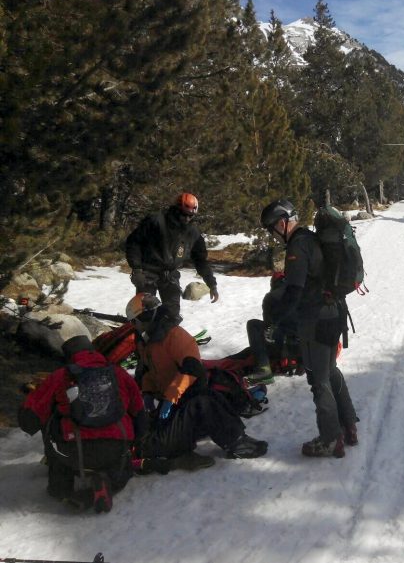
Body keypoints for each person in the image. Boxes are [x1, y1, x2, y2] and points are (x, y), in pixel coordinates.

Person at [260, 199, 358, 458]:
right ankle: (348, 426)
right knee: (331, 371)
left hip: (316, 319)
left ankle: (329, 439)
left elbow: (294, 291)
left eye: (272, 229)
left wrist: (275, 321)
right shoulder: (311, 238)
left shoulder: (297, 245)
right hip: (335, 312)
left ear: (282, 223)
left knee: (318, 379)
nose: (273, 235)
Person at [126, 293, 267, 462]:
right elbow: (149, 370)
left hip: (180, 400)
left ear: (145, 317)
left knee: (207, 400)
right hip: (163, 421)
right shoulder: (147, 342)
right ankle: (232, 439)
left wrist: (169, 398)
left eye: (135, 321)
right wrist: (149, 394)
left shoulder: (174, 336)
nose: (134, 327)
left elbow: (192, 369)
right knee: (204, 403)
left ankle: (236, 440)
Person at [18, 335, 147, 513]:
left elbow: (29, 420)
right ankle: (107, 480)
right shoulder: (119, 373)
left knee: (50, 420)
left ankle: (60, 488)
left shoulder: (60, 376)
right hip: (117, 448)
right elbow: (140, 414)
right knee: (121, 464)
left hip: (74, 451)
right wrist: (133, 444)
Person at [125, 192, 219, 323]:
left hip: (170, 275)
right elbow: (133, 242)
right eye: (184, 214)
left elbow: (201, 260)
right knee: (145, 313)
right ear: (176, 209)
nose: (186, 219)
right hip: (147, 273)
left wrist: (212, 284)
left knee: (172, 314)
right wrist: (137, 269)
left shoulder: (193, 233)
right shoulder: (155, 221)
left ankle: (167, 339)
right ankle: (142, 339)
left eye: (190, 216)